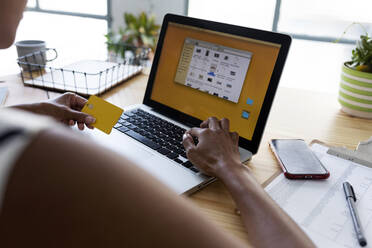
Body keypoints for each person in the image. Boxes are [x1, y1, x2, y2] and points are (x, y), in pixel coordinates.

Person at [0, 0, 315, 247]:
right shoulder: (40, 154)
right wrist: (231, 166)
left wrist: (29, 111)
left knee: (126, 118)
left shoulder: (20, 129)